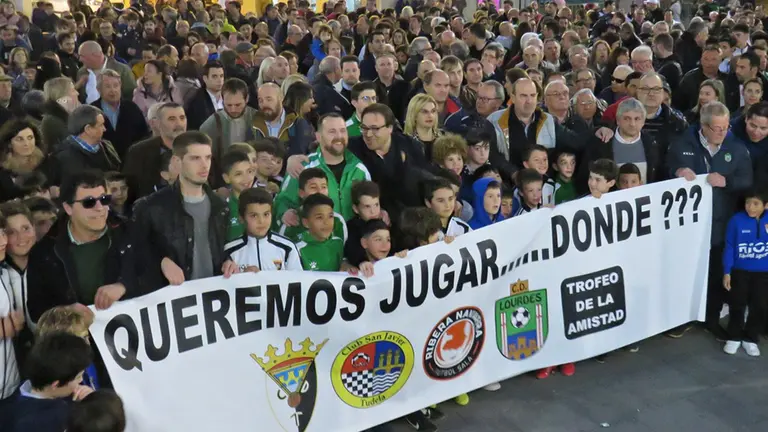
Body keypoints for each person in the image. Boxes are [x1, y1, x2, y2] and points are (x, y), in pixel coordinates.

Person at [667, 101, 753, 340]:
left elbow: (747, 180)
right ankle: (680, 318)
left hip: (719, 224)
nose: (722, 132)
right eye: (717, 128)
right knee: (685, 271)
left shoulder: (736, 147)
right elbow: (667, 167)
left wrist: (727, 182)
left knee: (715, 273)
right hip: (687, 226)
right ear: (703, 126)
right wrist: (678, 172)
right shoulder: (684, 143)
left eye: (725, 127)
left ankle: (711, 319)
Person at [9, 332, 93, 432]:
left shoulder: (16, 396)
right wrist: (89, 406)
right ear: (56, 384)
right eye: (78, 377)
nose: (81, 380)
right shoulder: (53, 419)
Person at [722, 187, 768, 356]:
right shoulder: (736, 221)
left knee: (760, 306)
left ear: (766, 205)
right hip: (740, 271)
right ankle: (734, 336)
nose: (751, 207)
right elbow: (729, 246)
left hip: (763, 273)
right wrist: (727, 271)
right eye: (748, 203)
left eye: (756, 203)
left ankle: (750, 338)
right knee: (737, 304)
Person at [224, 187, 302, 272]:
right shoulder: (230, 250)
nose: (261, 221)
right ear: (241, 218)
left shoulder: (287, 247)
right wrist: (243, 277)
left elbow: (298, 281)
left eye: (266, 214)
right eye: (254, 215)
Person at [200, 78, 258, 187]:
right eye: (229, 105)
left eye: (238, 105)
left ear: (247, 99)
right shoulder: (211, 124)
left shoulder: (258, 119)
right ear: (222, 100)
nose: (233, 110)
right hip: (223, 182)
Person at [122, 102, 187, 198]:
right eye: (172, 119)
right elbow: (130, 191)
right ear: (159, 124)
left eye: (182, 118)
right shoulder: (138, 153)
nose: (179, 124)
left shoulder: (198, 148)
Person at [55, 105, 121, 187]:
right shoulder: (64, 157)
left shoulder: (108, 145)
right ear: (88, 129)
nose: (104, 129)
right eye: (101, 125)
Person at [92, 69, 149, 160]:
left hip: (132, 162)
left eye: (116, 86)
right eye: (107, 86)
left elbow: (144, 136)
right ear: (99, 89)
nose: (113, 90)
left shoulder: (132, 108)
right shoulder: (92, 111)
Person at [253, 83, 314, 159]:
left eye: (269, 99)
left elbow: (298, 155)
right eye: (260, 100)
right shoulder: (253, 124)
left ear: (281, 98)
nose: (264, 104)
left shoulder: (297, 123)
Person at [295, 193, 346, 271]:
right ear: (306, 223)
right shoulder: (298, 250)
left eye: (330, 216)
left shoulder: (338, 243)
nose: (326, 222)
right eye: (319, 217)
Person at [221, 150, 255, 240]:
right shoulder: (223, 208)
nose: (247, 178)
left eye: (249, 171)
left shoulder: (263, 201)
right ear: (226, 178)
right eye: (238, 174)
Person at [41, 77, 80, 153]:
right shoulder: (52, 121)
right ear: (62, 96)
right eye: (73, 90)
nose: (77, 93)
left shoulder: (69, 115)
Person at [185, 61, 225, 130]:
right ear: (205, 79)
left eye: (221, 76)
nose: (219, 80)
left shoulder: (228, 97)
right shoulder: (196, 102)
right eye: (214, 76)